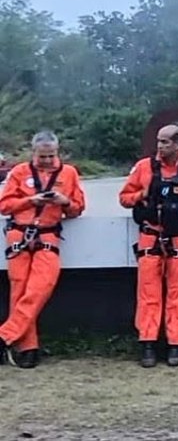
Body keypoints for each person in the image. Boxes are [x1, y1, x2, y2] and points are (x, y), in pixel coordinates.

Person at [119, 124, 178, 368]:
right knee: (148, 293)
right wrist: (141, 194)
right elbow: (124, 198)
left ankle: (176, 344)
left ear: (177, 144)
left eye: (165, 142)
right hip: (150, 236)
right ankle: (148, 344)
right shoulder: (143, 168)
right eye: (159, 142)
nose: (160, 147)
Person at [0, 131, 86, 368]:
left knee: (39, 289)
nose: (47, 161)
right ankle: (28, 348)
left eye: (51, 156)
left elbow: (78, 208)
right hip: (20, 235)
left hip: (48, 236)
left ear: (57, 152)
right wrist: (31, 200)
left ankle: (5, 335)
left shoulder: (68, 174)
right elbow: (5, 206)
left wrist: (64, 202)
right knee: (19, 290)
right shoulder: (19, 172)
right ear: (33, 152)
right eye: (42, 156)